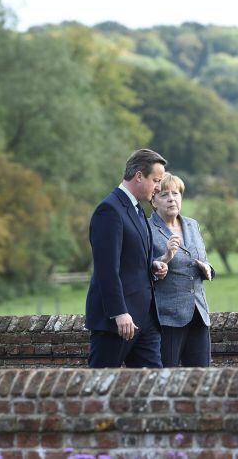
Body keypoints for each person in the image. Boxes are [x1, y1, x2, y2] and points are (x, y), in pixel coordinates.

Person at [84, 149, 169, 368]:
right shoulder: (109, 210)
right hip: (117, 323)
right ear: (139, 176)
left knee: (152, 388)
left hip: (145, 320)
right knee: (99, 389)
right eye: (156, 180)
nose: (159, 187)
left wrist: (153, 265)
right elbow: (106, 270)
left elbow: (131, 259)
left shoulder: (138, 209)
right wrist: (119, 312)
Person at [149, 173, 214, 367]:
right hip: (168, 317)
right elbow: (143, 270)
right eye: (164, 195)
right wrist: (165, 257)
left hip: (199, 314)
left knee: (201, 378)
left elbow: (203, 259)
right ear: (153, 201)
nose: (171, 199)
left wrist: (207, 268)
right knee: (166, 378)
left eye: (176, 193)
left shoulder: (192, 225)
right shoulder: (146, 228)